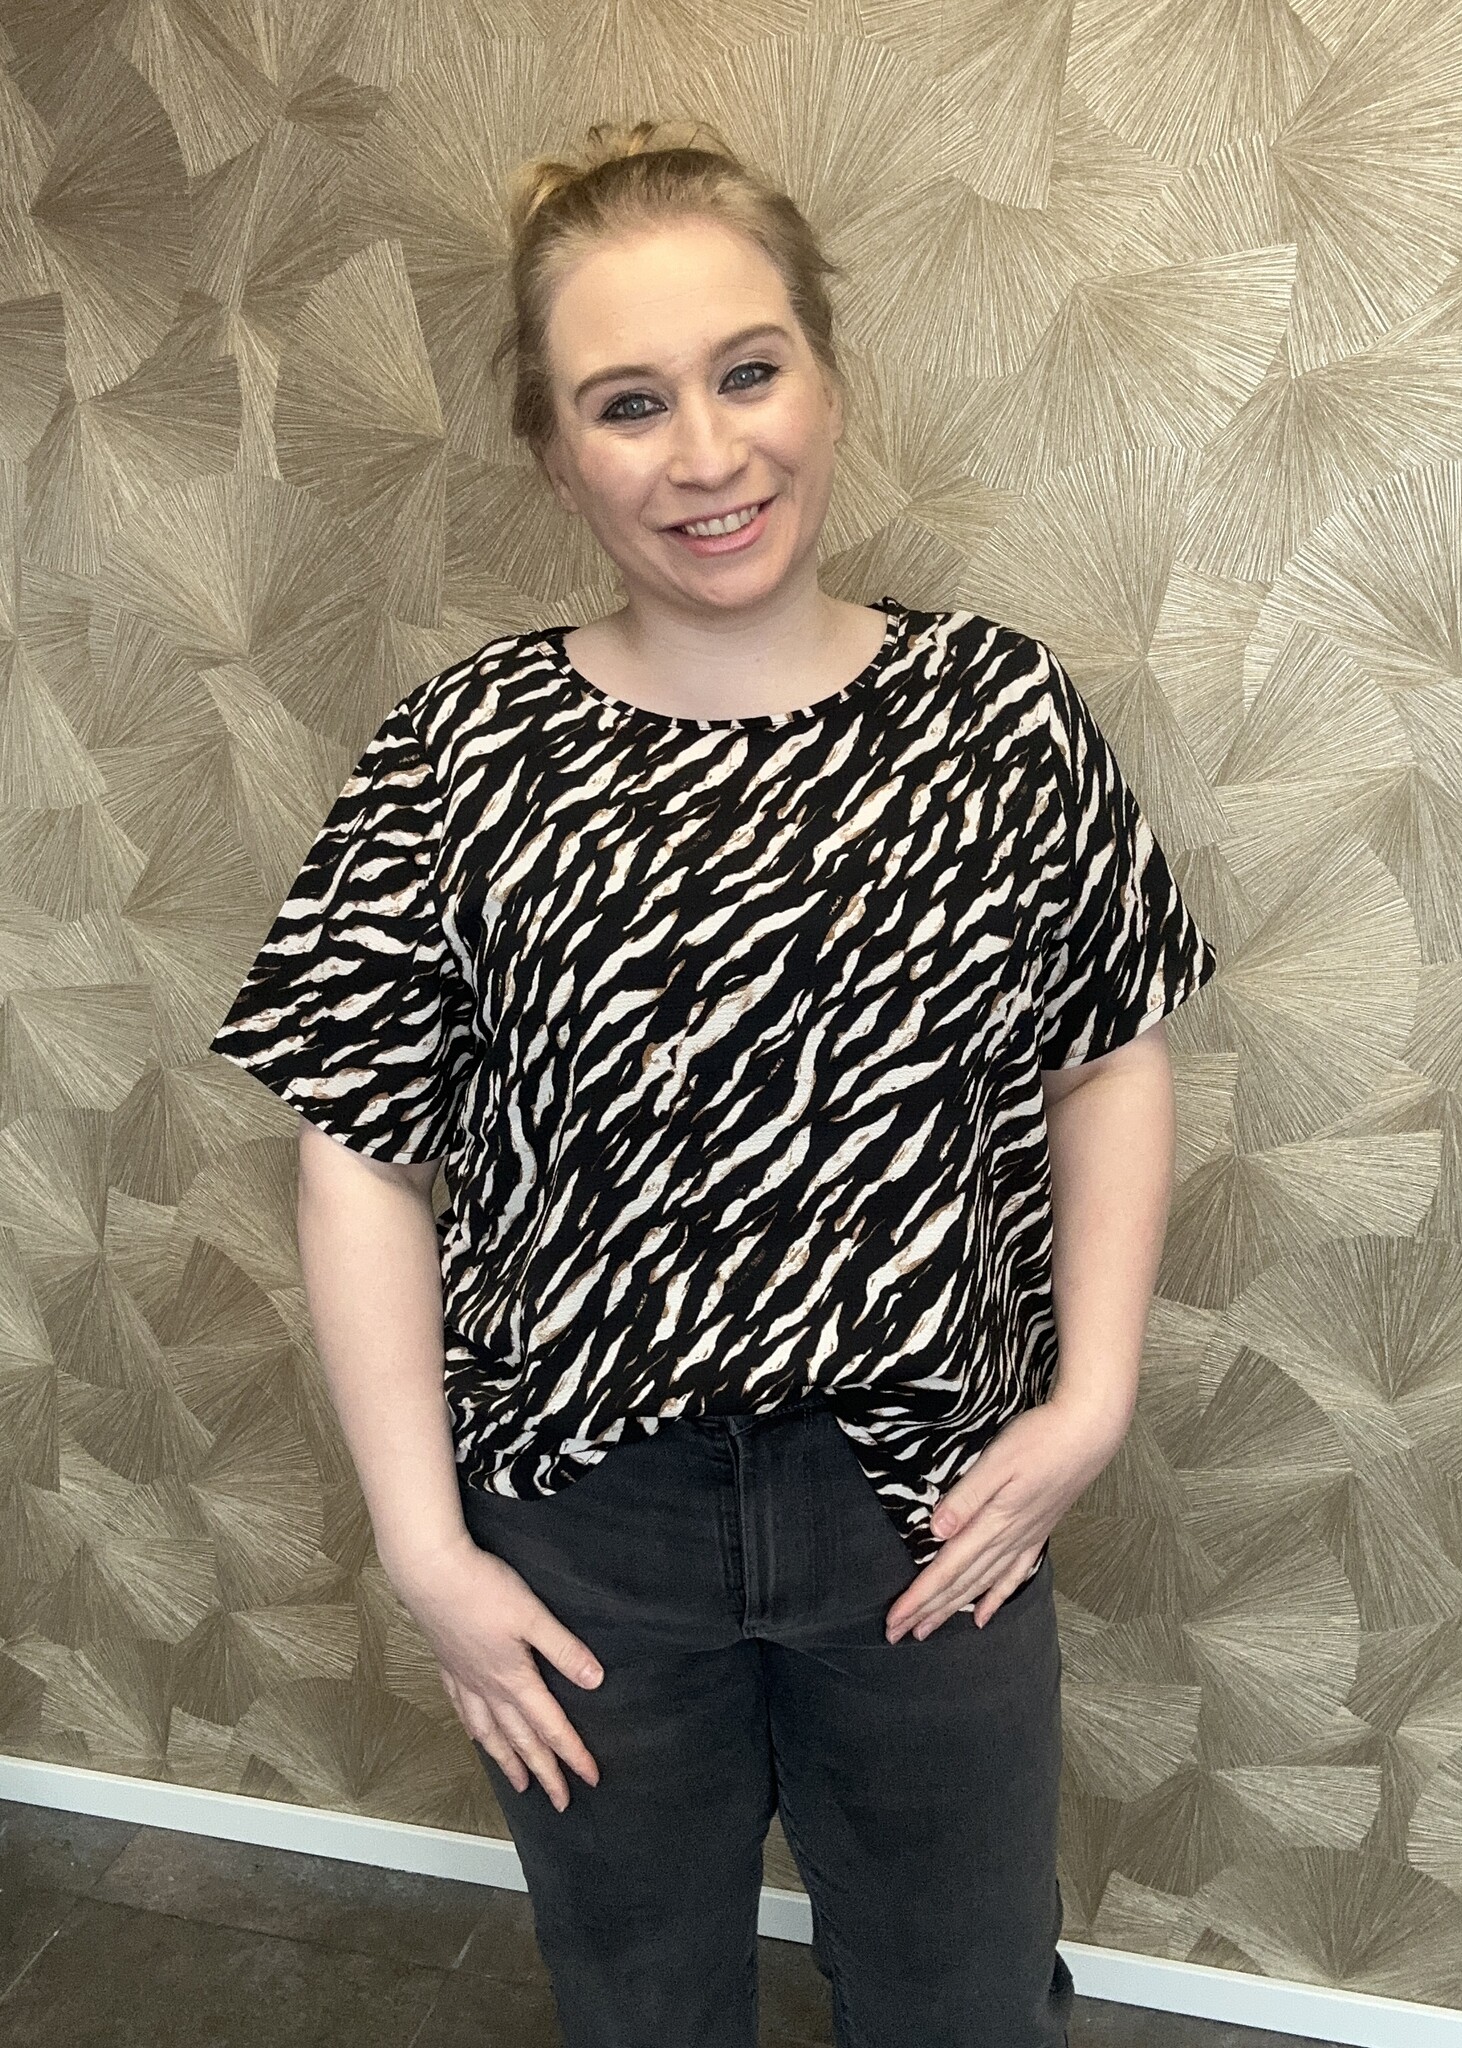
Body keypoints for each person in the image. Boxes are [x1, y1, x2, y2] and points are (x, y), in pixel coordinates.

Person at [208, 117, 1218, 2048]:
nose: (704, 452)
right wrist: (427, 1556)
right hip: (586, 1524)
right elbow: (358, 1157)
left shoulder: (996, 712)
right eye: (628, 403)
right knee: (642, 2002)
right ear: (555, 450)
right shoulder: (457, 752)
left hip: (924, 1506)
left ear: (827, 379)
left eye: (748, 372)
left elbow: (1111, 1055)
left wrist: (1090, 1403)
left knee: (963, 2002)